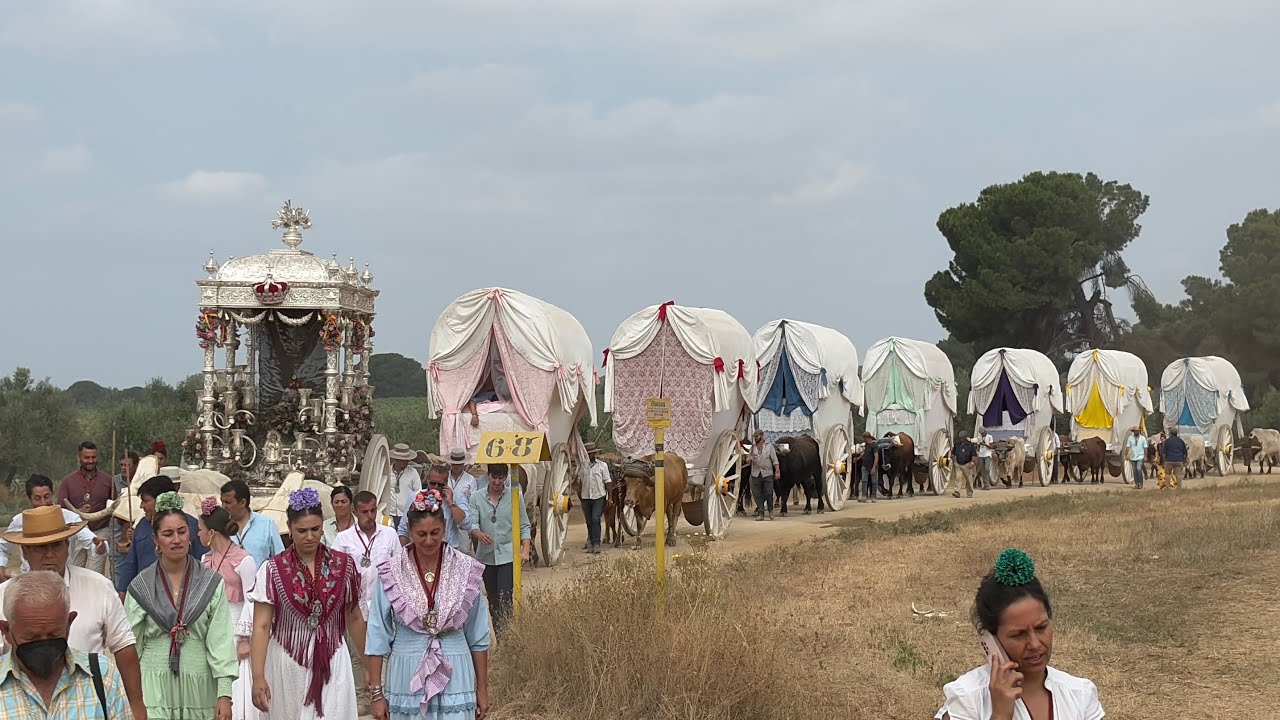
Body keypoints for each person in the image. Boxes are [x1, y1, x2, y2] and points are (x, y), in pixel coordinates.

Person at [0, 505, 147, 720]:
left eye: (57, 545)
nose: (50, 555)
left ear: (68, 545)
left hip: (89, 702)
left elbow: (124, 647)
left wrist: (136, 705)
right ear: (25, 551)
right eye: (41, 547)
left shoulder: (98, 587)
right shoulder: (4, 596)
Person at [365, 489, 491, 720]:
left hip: (456, 669)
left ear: (444, 528)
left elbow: (478, 635)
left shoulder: (465, 568)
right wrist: (376, 695)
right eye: (421, 534)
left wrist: (482, 689)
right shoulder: (392, 571)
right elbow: (376, 635)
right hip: (407, 669)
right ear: (410, 532)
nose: (429, 540)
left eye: (435, 532)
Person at [935, 549, 1103, 720]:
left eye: (1041, 628)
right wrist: (1000, 714)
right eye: (1018, 634)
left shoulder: (1079, 694)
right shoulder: (968, 698)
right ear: (991, 640)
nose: (1035, 644)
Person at [249, 488, 365, 719]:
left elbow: (354, 617)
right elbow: (261, 626)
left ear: (323, 527)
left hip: (333, 657)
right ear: (290, 530)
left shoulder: (344, 565)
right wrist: (258, 676)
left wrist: (369, 664)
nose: (309, 536)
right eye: (302, 531)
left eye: (315, 529)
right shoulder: (272, 569)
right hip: (288, 659)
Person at [125, 491, 236, 720]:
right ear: (156, 539)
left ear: (191, 534)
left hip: (200, 686)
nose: (176, 540)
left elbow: (221, 641)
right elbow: (130, 645)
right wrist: (130, 697)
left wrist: (224, 695)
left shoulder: (210, 583)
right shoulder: (141, 587)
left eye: (181, 532)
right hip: (153, 686)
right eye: (167, 534)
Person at [0, 571, 132, 719]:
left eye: (54, 635)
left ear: (69, 623)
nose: (44, 644)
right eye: (32, 637)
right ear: (6, 631)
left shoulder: (103, 676)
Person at [333, 490, 400, 715]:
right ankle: (362, 699)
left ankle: (387, 696)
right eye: (364, 512)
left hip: (384, 606)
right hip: (355, 607)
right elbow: (335, 573)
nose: (370, 516)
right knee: (358, 654)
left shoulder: (389, 534)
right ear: (355, 512)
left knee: (386, 651)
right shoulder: (343, 539)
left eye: (373, 510)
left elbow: (399, 568)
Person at [197, 498, 258, 720]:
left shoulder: (244, 559)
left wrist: (244, 638)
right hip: (212, 626)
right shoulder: (205, 559)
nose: (198, 534)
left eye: (200, 530)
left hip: (236, 621)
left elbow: (252, 599)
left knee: (235, 681)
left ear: (211, 532)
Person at [0, 475, 104, 582]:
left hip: (63, 580)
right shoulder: (20, 521)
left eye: (46, 496)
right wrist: (1, 566)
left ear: (52, 495)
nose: (43, 503)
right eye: (37, 498)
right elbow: (2, 548)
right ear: (29, 499)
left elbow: (92, 542)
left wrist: (99, 547)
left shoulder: (70, 518)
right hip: (30, 581)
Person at [117, 476, 209, 597]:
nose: (141, 506)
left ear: (160, 499)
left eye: (146, 501)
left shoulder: (191, 526)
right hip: (146, 597)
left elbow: (203, 564)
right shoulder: (142, 526)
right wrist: (123, 592)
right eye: (167, 533)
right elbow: (130, 564)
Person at [468, 463, 531, 634]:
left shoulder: (515, 496)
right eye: (494, 477)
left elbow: (524, 525)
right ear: (488, 476)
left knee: (506, 598)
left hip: (508, 556)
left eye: (501, 478)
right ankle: (500, 636)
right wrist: (479, 534)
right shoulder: (476, 497)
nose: (497, 481)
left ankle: (510, 637)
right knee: (493, 600)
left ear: (506, 478)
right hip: (486, 556)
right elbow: (472, 523)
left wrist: (525, 550)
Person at [57, 441, 116, 574]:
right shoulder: (67, 482)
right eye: (86, 457)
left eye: (93, 457)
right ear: (78, 458)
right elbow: (61, 510)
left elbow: (114, 507)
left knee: (94, 572)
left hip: (100, 531)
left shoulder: (108, 480)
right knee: (75, 570)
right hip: (76, 532)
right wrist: (78, 513)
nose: (90, 461)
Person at [399, 465, 472, 553]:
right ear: (427, 480)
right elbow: (403, 529)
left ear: (446, 483)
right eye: (433, 483)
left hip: (448, 551)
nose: (436, 487)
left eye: (440, 484)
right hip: (421, 550)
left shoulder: (457, 497)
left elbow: (466, 525)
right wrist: (404, 553)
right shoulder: (414, 497)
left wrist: (451, 504)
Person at [220, 479, 284, 568]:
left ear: (242, 502)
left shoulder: (266, 524)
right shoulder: (219, 526)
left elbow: (281, 560)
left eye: (227, 502)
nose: (223, 507)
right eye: (222, 502)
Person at [112, 452, 141, 580]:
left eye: (127, 465)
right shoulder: (113, 482)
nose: (124, 468)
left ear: (136, 466)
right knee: (117, 570)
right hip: (118, 531)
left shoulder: (142, 482)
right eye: (122, 465)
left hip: (136, 530)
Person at [577, 443, 609, 553]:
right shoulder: (582, 466)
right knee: (589, 521)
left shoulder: (602, 466)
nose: (589, 456)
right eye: (587, 454)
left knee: (595, 519)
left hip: (598, 496)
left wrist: (609, 498)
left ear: (595, 454)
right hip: (585, 497)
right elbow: (579, 482)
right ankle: (591, 542)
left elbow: (607, 482)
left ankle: (596, 544)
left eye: (591, 453)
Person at [446, 450, 479, 553]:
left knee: (464, 549)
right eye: (454, 464)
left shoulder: (470, 480)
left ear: (463, 464)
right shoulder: (445, 477)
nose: (456, 467)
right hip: (447, 517)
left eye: (459, 464)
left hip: (463, 517)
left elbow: (473, 501)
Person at [748, 429, 780, 521]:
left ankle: (770, 511)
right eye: (754, 437)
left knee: (769, 492)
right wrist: (749, 460)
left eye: (757, 436)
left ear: (762, 435)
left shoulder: (769, 447)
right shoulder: (752, 448)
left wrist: (777, 471)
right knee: (757, 494)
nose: (755, 438)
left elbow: (775, 460)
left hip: (767, 473)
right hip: (756, 473)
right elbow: (748, 459)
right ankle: (760, 513)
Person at [389, 444, 423, 530]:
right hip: (390, 513)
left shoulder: (413, 473)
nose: (406, 462)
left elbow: (419, 493)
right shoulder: (387, 471)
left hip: (406, 514)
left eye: (406, 460)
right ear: (396, 459)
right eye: (403, 460)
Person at [948, 432, 978, 499]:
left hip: (967, 464)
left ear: (965, 437)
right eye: (960, 438)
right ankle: (957, 492)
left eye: (962, 438)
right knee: (958, 478)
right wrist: (952, 456)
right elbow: (953, 452)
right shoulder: (957, 444)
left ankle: (969, 493)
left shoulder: (970, 445)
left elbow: (973, 455)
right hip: (958, 464)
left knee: (969, 479)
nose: (961, 439)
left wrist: (972, 462)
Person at [859, 432, 880, 503]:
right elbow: (864, 453)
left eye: (864, 437)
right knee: (864, 481)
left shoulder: (874, 445)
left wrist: (874, 467)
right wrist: (858, 458)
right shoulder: (866, 445)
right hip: (865, 465)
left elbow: (876, 457)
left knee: (874, 481)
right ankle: (864, 496)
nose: (863, 439)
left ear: (867, 438)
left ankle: (874, 496)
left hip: (872, 466)